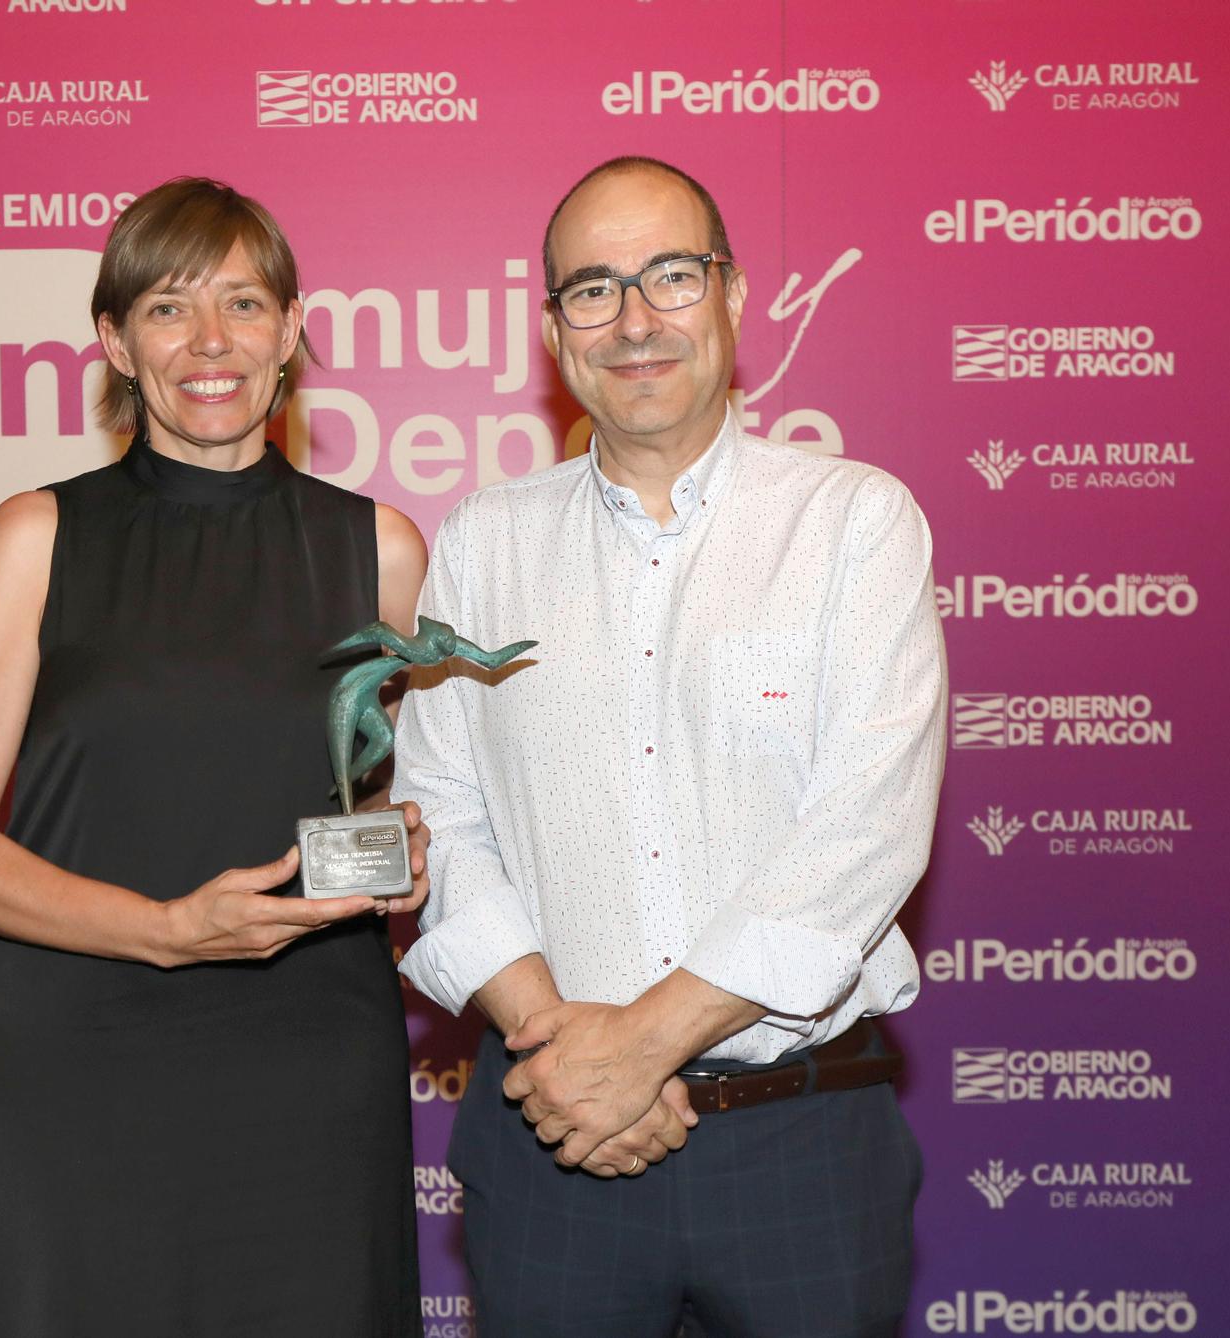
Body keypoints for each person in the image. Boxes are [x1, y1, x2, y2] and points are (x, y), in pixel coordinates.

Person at [391, 156, 947, 1337]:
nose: (634, 320)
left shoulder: (851, 520)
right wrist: (566, 1050)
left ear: (734, 295)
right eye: (591, 289)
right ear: (551, 331)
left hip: (799, 1150)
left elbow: (864, 830)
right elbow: (438, 812)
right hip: (549, 1141)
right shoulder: (486, 540)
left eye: (669, 276)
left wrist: (637, 1047)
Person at [0, 176, 427, 1337]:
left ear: (291, 331)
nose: (208, 343)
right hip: (85, 1069)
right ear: (114, 342)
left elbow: (376, 808)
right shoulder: (42, 534)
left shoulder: (376, 549)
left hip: (306, 1068)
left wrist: (406, 850)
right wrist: (167, 931)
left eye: (243, 304)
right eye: (166, 307)